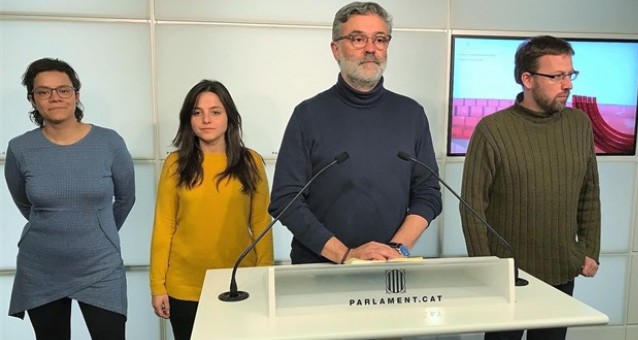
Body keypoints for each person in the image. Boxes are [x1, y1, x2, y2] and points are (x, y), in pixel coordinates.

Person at [269, 1, 442, 265]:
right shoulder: (308, 115)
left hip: (390, 269)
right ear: (336, 49)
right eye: (358, 39)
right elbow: (286, 200)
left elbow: (428, 193)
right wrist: (346, 255)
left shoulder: (411, 114)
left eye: (380, 40)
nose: (371, 48)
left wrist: (396, 250)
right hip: (319, 272)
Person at [460, 35, 601, 340]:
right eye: (557, 76)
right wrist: (487, 270)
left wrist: (589, 248)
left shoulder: (579, 125)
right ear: (527, 79)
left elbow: (589, 192)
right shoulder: (492, 130)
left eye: (570, 75)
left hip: (562, 272)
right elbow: (472, 206)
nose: (568, 85)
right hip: (509, 279)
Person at [4, 58, 136, 340]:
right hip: (41, 267)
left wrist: (98, 232)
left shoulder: (109, 142)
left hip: (101, 266)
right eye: (44, 91)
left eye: (63, 89)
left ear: (76, 94)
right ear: (32, 99)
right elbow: (27, 206)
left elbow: (126, 198)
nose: (55, 97)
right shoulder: (19, 148)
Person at [150, 79, 273, 340]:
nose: (206, 119)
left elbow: (262, 222)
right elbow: (164, 225)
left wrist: (266, 276)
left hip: (240, 284)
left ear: (229, 117)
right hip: (185, 287)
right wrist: (157, 284)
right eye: (197, 112)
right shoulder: (175, 164)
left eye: (215, 111)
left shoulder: (251, 162)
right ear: (189, 120)